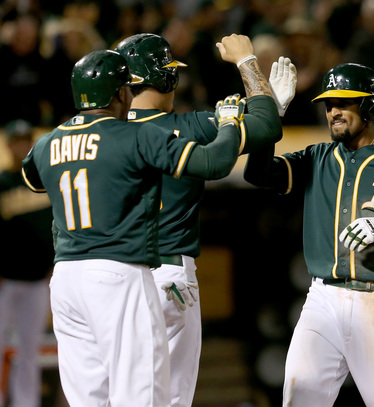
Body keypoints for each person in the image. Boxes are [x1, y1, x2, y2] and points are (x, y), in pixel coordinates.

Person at [20, 49, 252, 407]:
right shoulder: (134, 135)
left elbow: (33, 180)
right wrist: (230, 124)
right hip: (117, 273)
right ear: (120, 93)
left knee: (88, 400)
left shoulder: (47, 142)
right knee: (142, 395)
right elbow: (214, 163)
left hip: (65, 279)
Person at [244, 62, 374, 407]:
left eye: (344, 103)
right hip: (322, 298)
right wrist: (270, 115)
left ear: (370, 105)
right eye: (329, 104)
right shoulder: (316, 156)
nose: (334, 112)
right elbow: (257, 172)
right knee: (299, 396)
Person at [113, 32, 288, 407]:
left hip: (111, 278)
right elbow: (266, 125)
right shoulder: (190, 127)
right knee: (171, 398)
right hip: (167, 273)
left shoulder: (101, 134)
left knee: (118, 393)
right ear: (167, 78)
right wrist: (248, 65)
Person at [0, 120, 53, 407]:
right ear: (9, 145)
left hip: (37, 280)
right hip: (6, 281)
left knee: (29, 349)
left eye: (25, 140)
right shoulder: (2, 183)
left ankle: (26, 403)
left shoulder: (43, 181)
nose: (21, 145)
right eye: (16, 140)